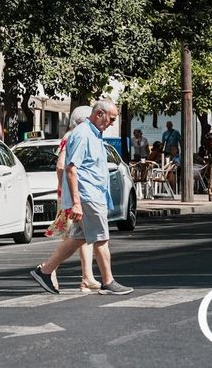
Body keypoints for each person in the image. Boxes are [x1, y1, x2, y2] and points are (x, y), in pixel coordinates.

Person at [30, 99, 133, 295]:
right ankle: (108, 281)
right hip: (87, 196)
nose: (112, 123)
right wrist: (76, 202)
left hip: (92, 195)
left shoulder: (94, 134)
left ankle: (45, 271)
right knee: (102, 238)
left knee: (78, 238)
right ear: (99, 113)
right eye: (111, 119)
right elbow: (70, 168)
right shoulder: (83, 134)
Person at [45, 105, 101, 293]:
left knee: (82, 235)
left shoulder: (76, 135)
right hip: (73, 195)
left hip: (75, 194)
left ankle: (87, 277)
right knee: (76, 235)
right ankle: (49, 269)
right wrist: (67, 190)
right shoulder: (73, 136)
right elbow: (62, 166)